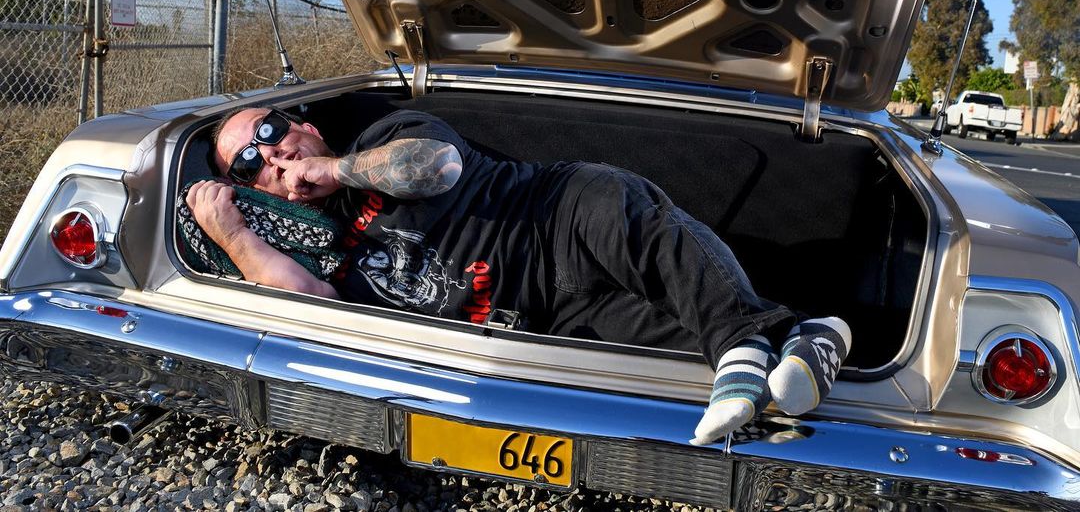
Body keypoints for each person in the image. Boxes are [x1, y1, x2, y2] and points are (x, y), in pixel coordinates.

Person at [186, 106, 852, 446]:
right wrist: (235, 234)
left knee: (638, 229)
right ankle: (808, 336)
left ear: (304, 125)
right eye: (249, 163)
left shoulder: (386, 135)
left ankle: (745, 339)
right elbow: (312, 307)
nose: (273, 154)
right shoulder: (320, 252)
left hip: (551, 216)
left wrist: (333, 171)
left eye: (273, 132)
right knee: (676, 343)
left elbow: (437, 166)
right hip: (540, 320)